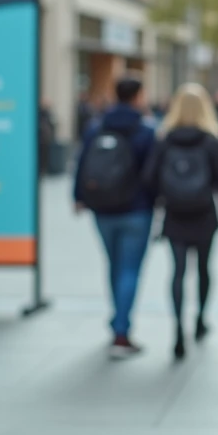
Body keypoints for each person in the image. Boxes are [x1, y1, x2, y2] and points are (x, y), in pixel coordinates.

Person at [144, 83, 218, 360]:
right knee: (204, 269)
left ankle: (177, 329)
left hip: (174, 215)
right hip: (204, 214)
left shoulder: (164, 139)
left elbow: (149, 178)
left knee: (178, 272)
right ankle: (199, 320)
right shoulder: (212, 140)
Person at [74, 75, 157, 359]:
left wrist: (78, 197)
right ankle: (121, 331)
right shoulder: (146, 130)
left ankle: (117, 320)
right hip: (137, 210)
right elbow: (153, 174)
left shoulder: (97, 126)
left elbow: (83, 162)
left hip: (103, 209)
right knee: (130, 269)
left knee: (114, 265)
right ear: (138, 96)